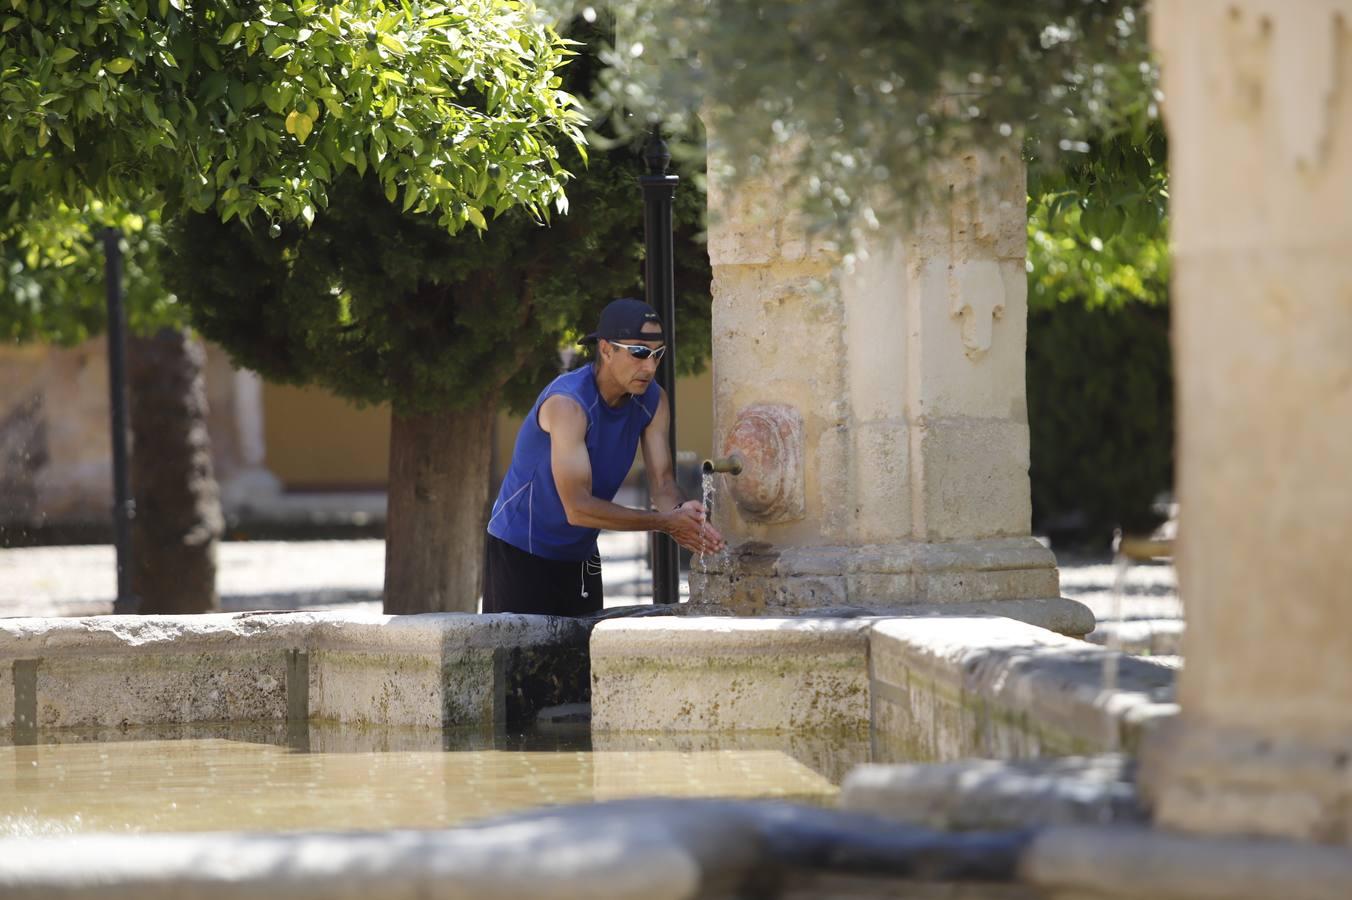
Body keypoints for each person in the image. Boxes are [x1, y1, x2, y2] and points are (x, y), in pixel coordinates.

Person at [483, 297, 725, 616]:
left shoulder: (652, 400)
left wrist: (684, 515)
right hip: (521, 552)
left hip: (582, 555)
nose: (650, 367)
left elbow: (663, 484)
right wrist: (665, 523)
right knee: (520, 665)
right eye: (639, 353)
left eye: (658, 355)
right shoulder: (568, 404)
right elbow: (578, 508)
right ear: (607, 350)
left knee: (584, 661)